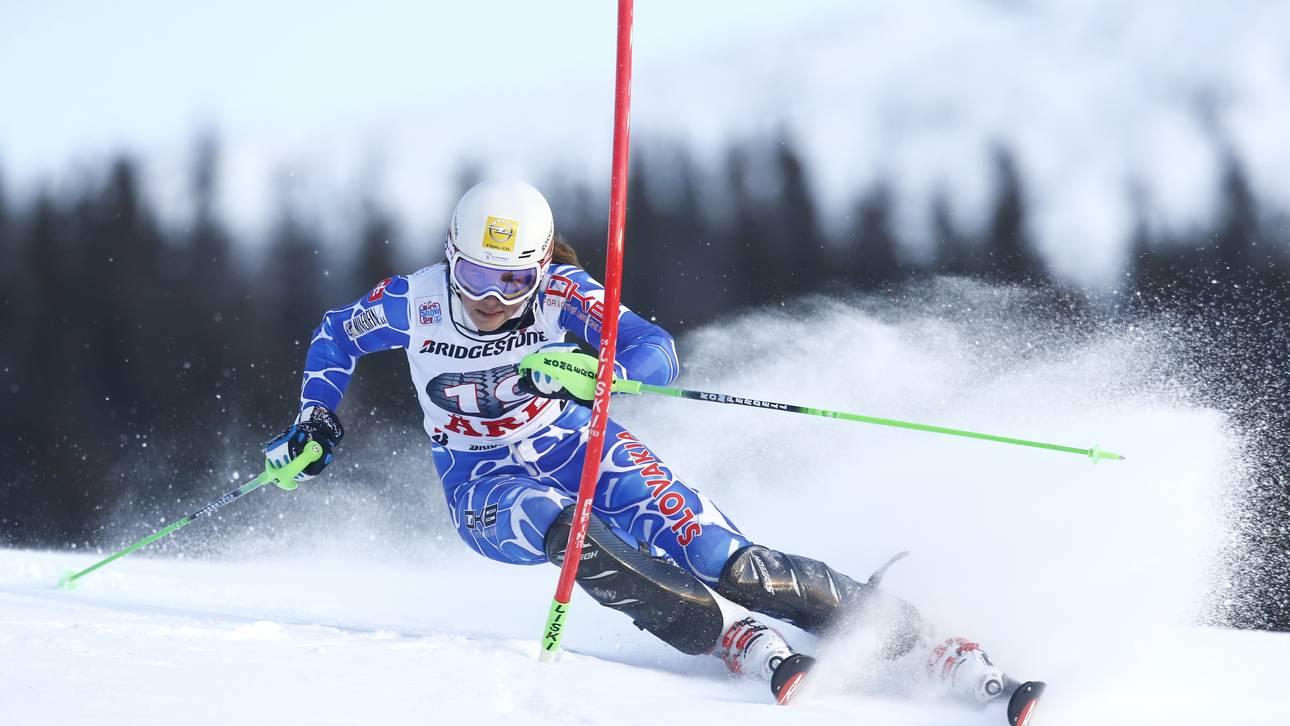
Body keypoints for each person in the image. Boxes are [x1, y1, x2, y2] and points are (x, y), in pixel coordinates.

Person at [265, 180, 1028, 709]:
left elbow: (655, 352)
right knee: (566, 529)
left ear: (541, 269)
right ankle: (725, 634)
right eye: (475, 275)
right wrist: (316, 420)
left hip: (578, 444)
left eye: (513, 282)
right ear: (449, 257)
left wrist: (601, 373)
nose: (492, 300)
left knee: (727, 559)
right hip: (482, 484)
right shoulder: (416, 302)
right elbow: (336, 336)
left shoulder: (564, 296)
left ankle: (918, 640)